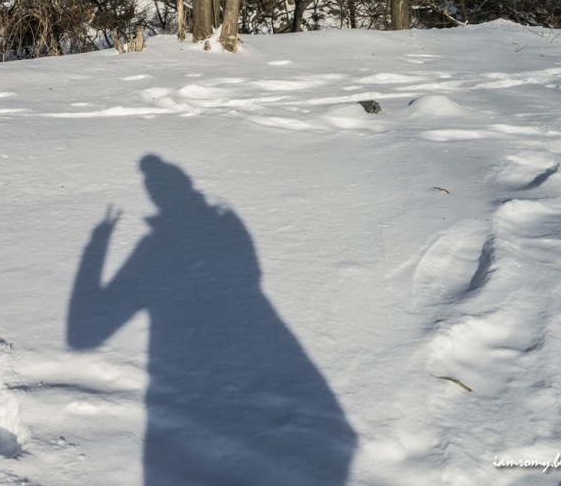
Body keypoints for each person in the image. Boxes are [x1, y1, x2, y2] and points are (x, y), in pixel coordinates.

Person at [68, 154, 356, 486]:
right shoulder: (227, 228)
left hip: (186, 377)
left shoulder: (157, 246)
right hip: (251, 361)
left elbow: (84, 336)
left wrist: (96, 246)